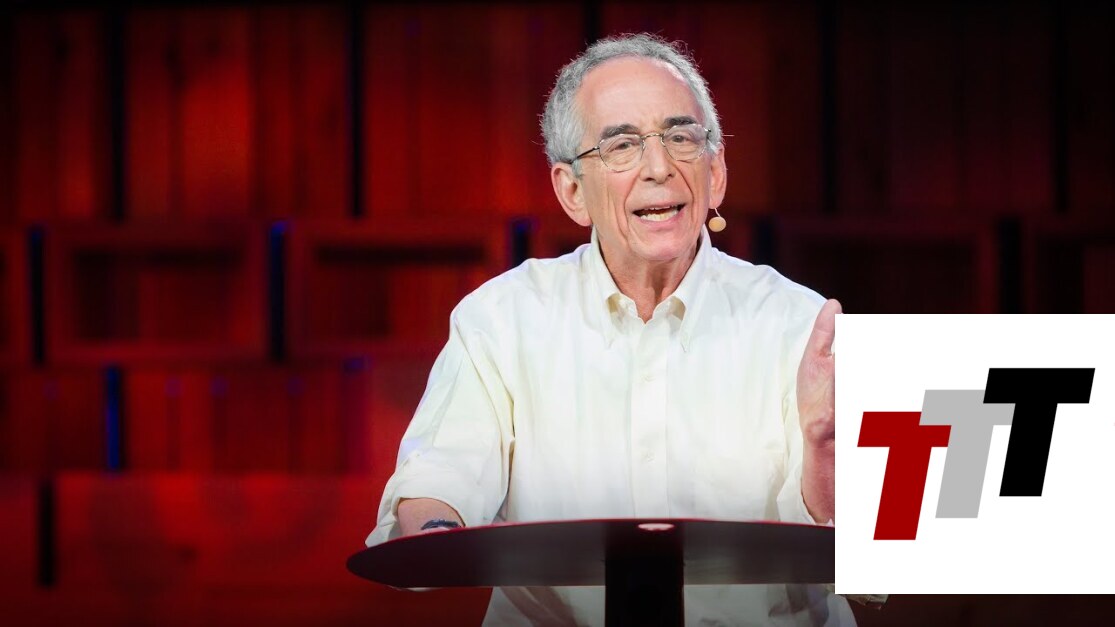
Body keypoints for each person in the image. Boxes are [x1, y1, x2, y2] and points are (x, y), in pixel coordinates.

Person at [366, 33, 853, 626]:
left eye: (681, 138)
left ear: (716, 172)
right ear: (572, 191)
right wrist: (437, 527)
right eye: (622, 146)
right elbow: (440, 481)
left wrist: (827, 449)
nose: (659, 168)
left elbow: (858, 558)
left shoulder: (801, 324)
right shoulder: (503, 318)